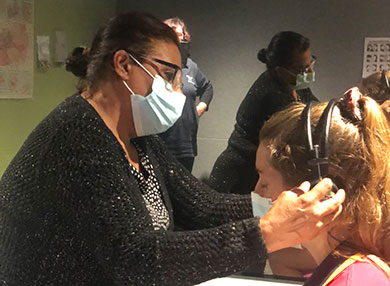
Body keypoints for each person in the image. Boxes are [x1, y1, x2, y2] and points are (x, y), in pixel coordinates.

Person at [0, 12, 345, 285]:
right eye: (168, 76)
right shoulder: (77, 136)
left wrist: (272, 205)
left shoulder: (136, 136)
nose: (177, 91)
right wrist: (265, 233)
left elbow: (200, 205)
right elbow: (137, 258)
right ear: (123, 64)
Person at [254, 90, 390, 285]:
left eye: (264, 182)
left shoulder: (351, 281)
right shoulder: (341, 268)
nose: (257, 192)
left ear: (319, 189)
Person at [208, 31, 319, 195]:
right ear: (281, 70)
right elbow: (301, 126)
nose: (309, 71)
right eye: (303, 68)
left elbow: (316, 109)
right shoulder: (270, 92)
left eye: (311, 63)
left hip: (257, 171)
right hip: (240, 174)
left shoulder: (296, 85)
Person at [159, 17, 213, 172]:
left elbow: (208, 88)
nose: (180, 38)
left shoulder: (191, 66)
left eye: (182, 34)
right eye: (175, 34)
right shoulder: (158, 66)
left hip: (186, 143)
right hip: (163, 141)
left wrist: (198, 110)